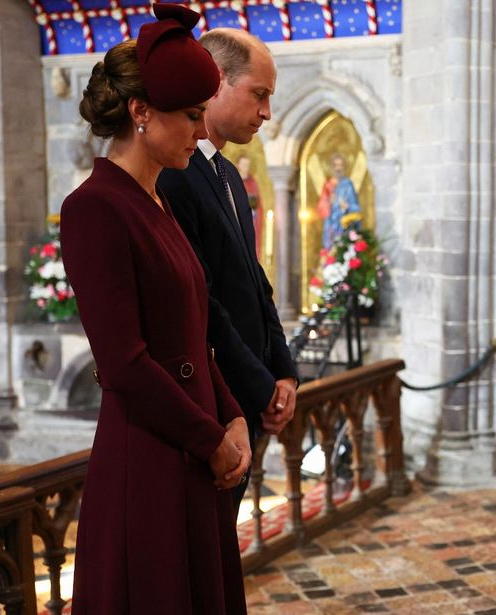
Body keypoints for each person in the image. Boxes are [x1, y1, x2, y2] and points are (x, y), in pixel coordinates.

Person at [60, 5, 249, 613]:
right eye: (192, 116)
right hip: (150, 455)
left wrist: (231, 413)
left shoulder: (156, 200)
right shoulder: (95, 208)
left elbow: (193, 332)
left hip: (190, 446)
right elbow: (125, 363)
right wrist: (209, 438)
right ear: (141, 113)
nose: (201, 132)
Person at [157, 28, 297, 509]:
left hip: (251, 393)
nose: (266, 112)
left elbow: (256, 283)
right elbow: (205, 299)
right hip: (216, 402)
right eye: (259, 94)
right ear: (216, 82)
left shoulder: (230, 175)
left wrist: (285, 372)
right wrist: (261, 389)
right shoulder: (177, 177)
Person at [318, 152, 362, 250]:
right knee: (331, 247)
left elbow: (356, 207)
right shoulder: (327, 186)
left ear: (344, 167)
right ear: (331, 167)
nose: (338, 168)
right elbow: (321, 208)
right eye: (336, 165)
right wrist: (329, 202)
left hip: (345, 222)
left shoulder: (348, 184)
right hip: (331, 223)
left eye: (341, 165)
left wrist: (347, 206)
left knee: (344, 247)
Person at [235, 154, 263, 259]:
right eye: (244, 164)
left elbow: (258, 205)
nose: (246, 167)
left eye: (248, 164)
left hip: (251, 218)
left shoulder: (253, 182)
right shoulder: (233, 179)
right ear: (238, 165)